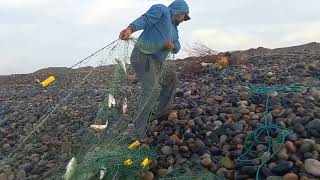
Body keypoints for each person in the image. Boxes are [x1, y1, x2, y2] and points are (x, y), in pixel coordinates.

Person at [119, 0, 191, 135]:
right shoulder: (162, 10)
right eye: (184, 16)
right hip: (142, 56)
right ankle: (136, 129)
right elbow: (145, 19)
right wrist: (131, 28)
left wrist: (173, 46)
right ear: (179, 12)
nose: (183, 20)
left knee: (171, 78)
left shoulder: (174, 30)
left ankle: (161, 113)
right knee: (151, 89)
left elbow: (177, 46)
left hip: (158, 62)